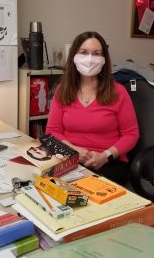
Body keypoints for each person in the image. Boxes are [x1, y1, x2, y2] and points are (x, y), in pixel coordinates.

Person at [46, 31, 139, 184]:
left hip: (109, 163)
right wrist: (73, 151)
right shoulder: (62, 90)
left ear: (104, 60)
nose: (90, 59)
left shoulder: (118, 92)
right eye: (84, 52)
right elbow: (52, 131)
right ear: (74, 57)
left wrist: (105, 155)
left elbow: (131, 134)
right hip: (69, 158)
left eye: (96, 54)